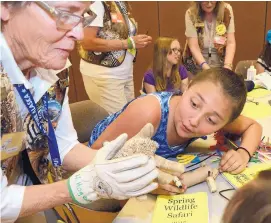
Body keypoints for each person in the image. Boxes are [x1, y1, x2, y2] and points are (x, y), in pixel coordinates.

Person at [0, 2, 158, 222]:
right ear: (6, 7)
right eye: (65, 14)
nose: (79, 33)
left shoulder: (50, 64)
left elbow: (63, 146)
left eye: (83, 16)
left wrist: (112, 161)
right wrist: (76, 188)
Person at [89, 68, 262, 194]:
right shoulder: (149, 112)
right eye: (194, 104)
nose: (194, 121)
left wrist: (244, 153)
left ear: (224, 124)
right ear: (188, 87)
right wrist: (147, 185)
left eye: (211, 120)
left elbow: (253, 126)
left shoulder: (215, 110)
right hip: (99, 172)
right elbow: (93, 157)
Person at [79, 1, 152, 114]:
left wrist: (134, 41)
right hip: (105, 76)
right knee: (118, 123)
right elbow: (87, 42)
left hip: (123, 73)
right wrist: (127, 43)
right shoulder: (96, 3)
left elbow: (116, 33)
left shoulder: (118, 3)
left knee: (129, 118)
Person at [183, 1, 236, 74]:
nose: (209, 4)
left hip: (220, 64)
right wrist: (206, 69)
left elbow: (230, 43)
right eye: (205, 1)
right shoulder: (191, 13)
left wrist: (227, 67)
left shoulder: (226, 11)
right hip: (197, 66)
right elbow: (193, 46)